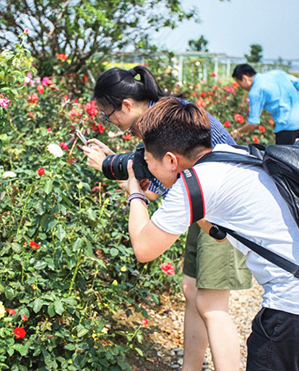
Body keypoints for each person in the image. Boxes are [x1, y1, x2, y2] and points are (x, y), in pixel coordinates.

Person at [123, 98, 299, 370]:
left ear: (170, 160)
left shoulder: (195, 183)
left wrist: (134, 191)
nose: (148, 170)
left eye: (147, 162)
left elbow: (144, 249)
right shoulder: (237, 154)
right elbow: (220, 234)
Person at [82, 66, 251, 371]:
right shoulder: (159, 118)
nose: (111, 123)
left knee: (213, 306)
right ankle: (191, 367)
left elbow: (154, 193)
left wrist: (110, 170)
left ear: (126, 105)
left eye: (108, 115)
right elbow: (158, 186)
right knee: (192, 293)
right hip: (199, 207)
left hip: (222, 212)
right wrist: (120, 168)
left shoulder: (163, 124)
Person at [231, 64, 299, 145]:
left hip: (285, 125)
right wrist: (297, 105)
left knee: (282, 158)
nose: (241, 87)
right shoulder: (277, 74)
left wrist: (238, 132)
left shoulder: (255, 91)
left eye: (239, 83)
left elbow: (253, 122)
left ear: (245, 78)